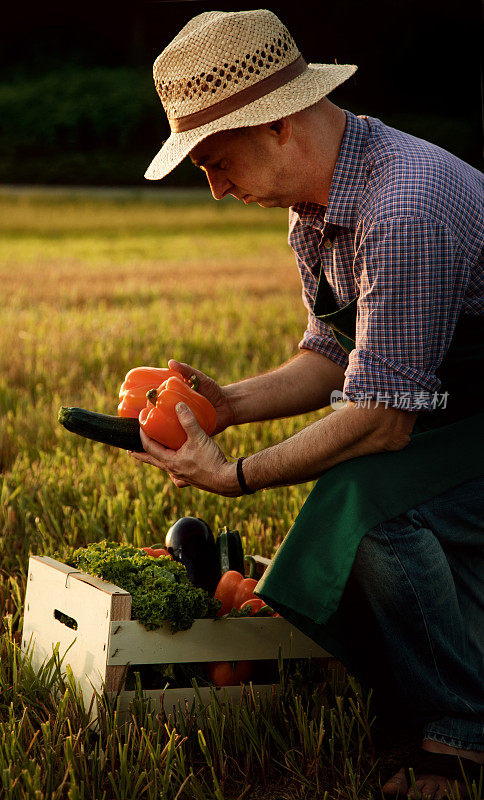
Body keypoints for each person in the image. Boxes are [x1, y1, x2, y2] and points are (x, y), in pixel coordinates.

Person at [130, 9, 484, 798]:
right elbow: (332, 354)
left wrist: (238, 475)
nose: (217, 190)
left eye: (217, 163)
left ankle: (461, 735)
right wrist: (226, 404)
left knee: (367, 502)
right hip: (457, 420)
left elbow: (383, 418)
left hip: (461, 426)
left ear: (281, 124)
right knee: (358, 497)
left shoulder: (404, 206)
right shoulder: (316, 210)